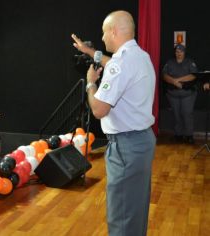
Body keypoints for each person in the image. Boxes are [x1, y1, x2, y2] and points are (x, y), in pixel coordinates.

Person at [72, 10, 156, 236]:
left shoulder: (122, 63)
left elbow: (99, 109)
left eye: (103, 32)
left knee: (120, 215)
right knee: (135, 211)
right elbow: (115, 64)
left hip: (125, 147)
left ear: (114, 31)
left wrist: (91, 84)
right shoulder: (140, 56)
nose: (102, 38)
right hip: (142, 142)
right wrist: (88, 51)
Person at [162, 44, 198, 143]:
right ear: (175, 52)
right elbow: (164, 75)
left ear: (184, 52)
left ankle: (189, 136)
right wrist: (174, 82)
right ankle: (178, 135)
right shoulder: (170, 62)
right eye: (177, 52)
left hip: (188, 94)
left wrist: (178, 80)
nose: (179, 54)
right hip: (173, 95)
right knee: (176, 115)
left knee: (187, 114)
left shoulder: (189, 62)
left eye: (181, 52)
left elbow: (193, 75)